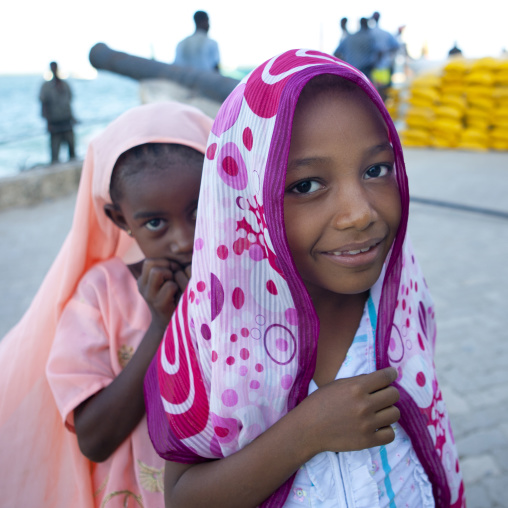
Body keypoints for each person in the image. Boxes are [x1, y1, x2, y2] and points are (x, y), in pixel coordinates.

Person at [144, 50, 466, 507]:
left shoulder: (400, 301)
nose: (360, 214)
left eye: (376, 170)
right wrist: (306, 432)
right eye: (306, 185)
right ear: (246, 202)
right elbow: (182, 497)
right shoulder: (211, 334)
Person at [0, 101, 212, 507]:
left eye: (198, 208)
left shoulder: (245, 275)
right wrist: (161, 327)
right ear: (119, 220)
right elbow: (95, 439)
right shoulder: (99, 296)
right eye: (155, 222)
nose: (184, 240)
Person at [39, 61, 76, 163]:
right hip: (54, 123)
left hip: (67, 121)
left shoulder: (65, 85)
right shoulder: (46, 87)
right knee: (55, 154)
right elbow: (44, 105)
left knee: (72, 151)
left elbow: (69, 103)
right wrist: (48, 123)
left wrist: (73, 118)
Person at [369, 12, 400, 98]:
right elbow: (396, 46)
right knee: (383, 93)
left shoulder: (369, 33)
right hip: (383, 66)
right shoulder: (385, 33)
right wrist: (386, 52)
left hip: (373, 67)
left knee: (373, 92)